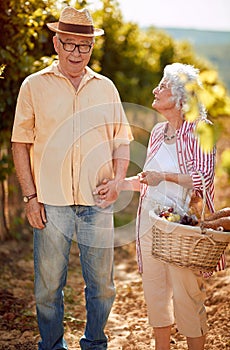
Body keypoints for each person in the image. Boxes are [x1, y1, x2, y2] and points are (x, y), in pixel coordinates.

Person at [11, 6, 133, 350]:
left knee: (103, 285)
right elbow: (19, 143)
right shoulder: (33, 86)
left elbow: (121, 139)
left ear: (92, 48)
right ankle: (51, 346)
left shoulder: (105, 88)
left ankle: (95, 343)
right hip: (51, 203)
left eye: (85, 46)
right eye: (69, 44)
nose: (77, 53)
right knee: (48, 287)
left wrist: (118, 179)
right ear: (56, 43)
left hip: (98, 202)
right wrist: (30, 197)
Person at [95, 63, 223, 350]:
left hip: (182, 229)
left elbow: (203, 178)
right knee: (155, 294)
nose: (155, 90)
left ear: (180, 98)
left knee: (187, 297)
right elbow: (148, 181)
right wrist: (119, 185)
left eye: (163, 86)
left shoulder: (200, 130)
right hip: (150, 223)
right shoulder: (156, 131)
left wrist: (163, 176)